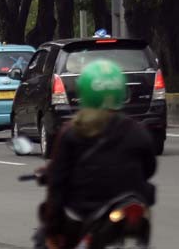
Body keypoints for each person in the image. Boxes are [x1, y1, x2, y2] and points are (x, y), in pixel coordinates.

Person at [38, 60, 157, 248]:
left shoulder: (73, 131)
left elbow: (57, 184)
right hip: (129, 208)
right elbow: (149, 168)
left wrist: (52, 229)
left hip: (86, 211)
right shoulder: (137, 130)